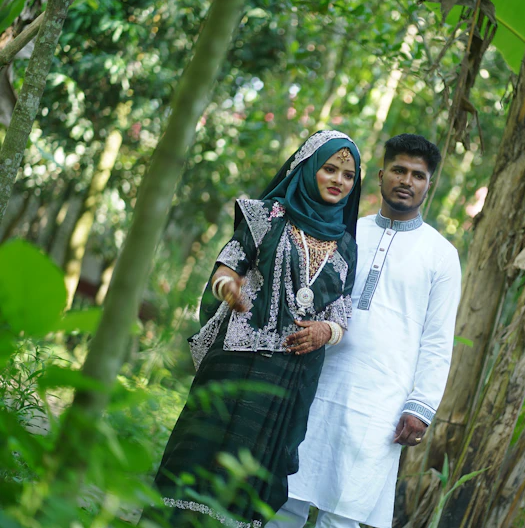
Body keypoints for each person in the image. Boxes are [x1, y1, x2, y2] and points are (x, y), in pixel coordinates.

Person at [141, 130, 362, 528]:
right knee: (199, 455)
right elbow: (226, 268)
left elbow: (342, 311)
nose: (338, 181)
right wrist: (230, 291)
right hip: (236, 362)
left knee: (251, 475)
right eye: (329, 169)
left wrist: (325, 332)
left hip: (288, 378)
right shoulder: (266, 215)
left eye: (348, 176)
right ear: (308, 167)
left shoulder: (346, 245)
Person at [268, 134, 462, 528]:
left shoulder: (441, 254)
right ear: (380, 175)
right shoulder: (345, 230)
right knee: (287, 495)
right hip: (317, 383)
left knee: (344, 511)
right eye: (399, 170)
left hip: (382, 403)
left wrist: (420, 406)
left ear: (429, 184)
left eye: (418, 175)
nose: (406, 180)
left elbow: (438, 339)